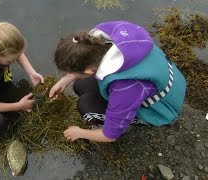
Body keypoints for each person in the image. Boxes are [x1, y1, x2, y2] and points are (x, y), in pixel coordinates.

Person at [49, 21, 186, 143]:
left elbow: (110, 136)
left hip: (162, 107)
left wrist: (80, 133)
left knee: (87, 107)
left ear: (88, 70)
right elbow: (86, 68)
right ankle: (118, 110)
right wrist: (65, 80)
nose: (71, 75)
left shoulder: (125, 87)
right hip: (169, 77)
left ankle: (123, 122)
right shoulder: (104, 38)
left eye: (74, 72)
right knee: (80, 85)